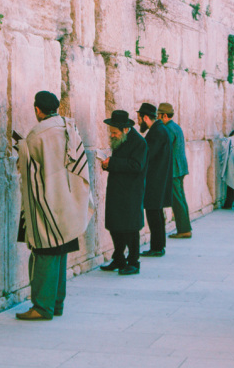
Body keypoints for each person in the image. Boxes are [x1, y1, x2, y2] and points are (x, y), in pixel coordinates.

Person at [15, 91, 92, 321]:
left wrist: (20, 149)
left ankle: (42, 307)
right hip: (68, 202)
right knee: (60, 253)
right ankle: (56, 303)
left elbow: (27, 169)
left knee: (44, 253)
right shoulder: (69, 127)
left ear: (38, 110)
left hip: (47, 203)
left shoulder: (36, 136)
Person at [101, 110, 147, 275]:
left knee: (130, 228)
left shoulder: (139, 143)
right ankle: (119, 258)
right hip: (117, 190)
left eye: (115, 132)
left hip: (130, 193)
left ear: (125, 129)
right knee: (115, 226)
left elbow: (136, 166)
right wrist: (107, 164)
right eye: (111, 132)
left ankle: (134, 262)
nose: (112, 135)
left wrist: (111, 163)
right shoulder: (121, 139)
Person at [137, 103, 173, 257]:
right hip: (158, 179)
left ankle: (157, 247)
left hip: (155, 180)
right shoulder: (160, 130)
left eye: (139, 119)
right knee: (156, 213)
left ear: (145, 118)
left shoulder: (157, 132)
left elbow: (148, 155)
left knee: (154, 213)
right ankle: (159, 246)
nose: (138, 122)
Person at [158, 103, 192, 239]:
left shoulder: (168, 129)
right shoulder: (175, 127)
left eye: (158, 116)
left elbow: (165, 148)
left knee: (177, 200)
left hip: (174, 169)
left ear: (164, 115)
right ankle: (185, 227)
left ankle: (184, 230)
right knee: (180, 199)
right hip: (180, 168)